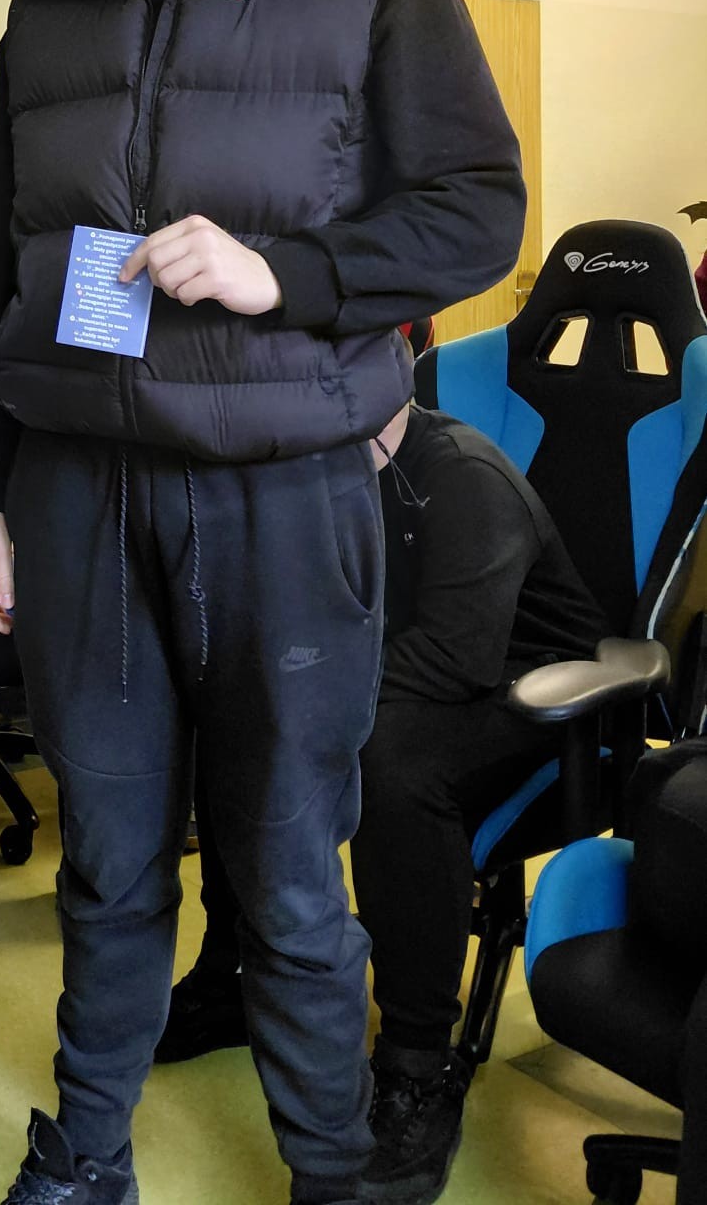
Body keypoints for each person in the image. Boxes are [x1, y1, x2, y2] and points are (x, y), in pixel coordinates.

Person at [0, 0, 525, 1205]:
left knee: (281, 867)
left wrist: (291, 275)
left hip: (281, 488)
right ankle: (84, 1156)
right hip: (79, 488)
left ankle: (329, 1172)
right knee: (107, 856)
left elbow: (476, 209)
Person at [157, 397, 606, 1205]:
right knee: (238, 716)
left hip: (535, 694)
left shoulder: (462, 478)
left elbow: (456, 656)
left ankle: (416, 1067)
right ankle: (232, 978)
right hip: (415, 674)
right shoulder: (313, 467)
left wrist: (310, 702)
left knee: (393, 766)